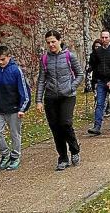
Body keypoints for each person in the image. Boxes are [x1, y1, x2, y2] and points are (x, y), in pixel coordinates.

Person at [36, 30, 84, 171]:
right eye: (48, 42)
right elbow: (41, 80)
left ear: (59, 40)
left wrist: (71, 87)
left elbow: (80, 75)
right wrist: (38, 100)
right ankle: (62, 157)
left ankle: (74, 149)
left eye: (53, 41)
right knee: (55, 128)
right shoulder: (44, 59)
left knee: (65, 123)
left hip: (67, 96)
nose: (51, 44)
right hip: (51, 97)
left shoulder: (69, 56)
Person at [0, 45, 30, 171]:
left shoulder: (16, 70)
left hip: (14, 108)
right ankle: (5, 154)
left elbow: (24, 91)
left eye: (3, 59)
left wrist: (22, 108)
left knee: (15, 134)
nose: (0, 62)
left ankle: (15, 156)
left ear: (9, 57)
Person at [88, 31, 110, 135]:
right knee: (99, 103)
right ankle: (97, 126)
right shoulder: (98, 51)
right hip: (101, 80)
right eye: (102, 37)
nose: (104, 39)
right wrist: (93, 79)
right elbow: (95, 66)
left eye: (106, 37)